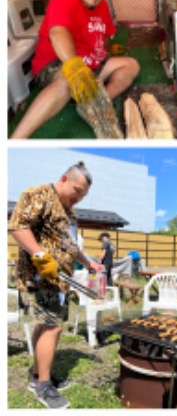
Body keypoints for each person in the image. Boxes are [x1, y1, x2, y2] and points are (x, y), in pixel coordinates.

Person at [9, 161, 104, 409]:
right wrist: (39, 255)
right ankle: (43, 385)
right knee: (53, 328)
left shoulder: (70, 212)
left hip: (59, 281)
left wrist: (88, 262)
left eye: (83, 195)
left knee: (46, 327)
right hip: (39, 278)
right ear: (63, 179)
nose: (79, 198)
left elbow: (71, 246)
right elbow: (17, 226)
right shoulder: (38, 194)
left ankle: (37, 377)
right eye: (77, 190)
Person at [10, 0, 140, 139]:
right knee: (66, 83)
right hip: (57, 64)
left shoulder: (102, 6)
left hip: (90, 65)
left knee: (131, 65)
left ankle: (92, 106)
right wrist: (75, 68)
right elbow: (58, 33)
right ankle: (15, 141)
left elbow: (105, 36)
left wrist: (108, 50)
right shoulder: (63, 0)